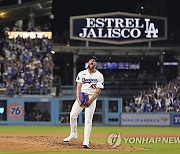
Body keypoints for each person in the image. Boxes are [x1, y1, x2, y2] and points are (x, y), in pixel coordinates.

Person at [63, 56, 104, 148]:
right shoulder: (82, 73)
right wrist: (78, 99)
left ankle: (86, 141)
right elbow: (78, 87)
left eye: (94, 61)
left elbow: (98, 90)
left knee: (88, 120)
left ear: (96, 64)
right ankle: (73, 133)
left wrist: (90, 101)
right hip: (82, 95)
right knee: (72, 115)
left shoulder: (99, 75)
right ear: (88, 63)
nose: (92, 62)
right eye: (90, 60)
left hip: (91, 96)